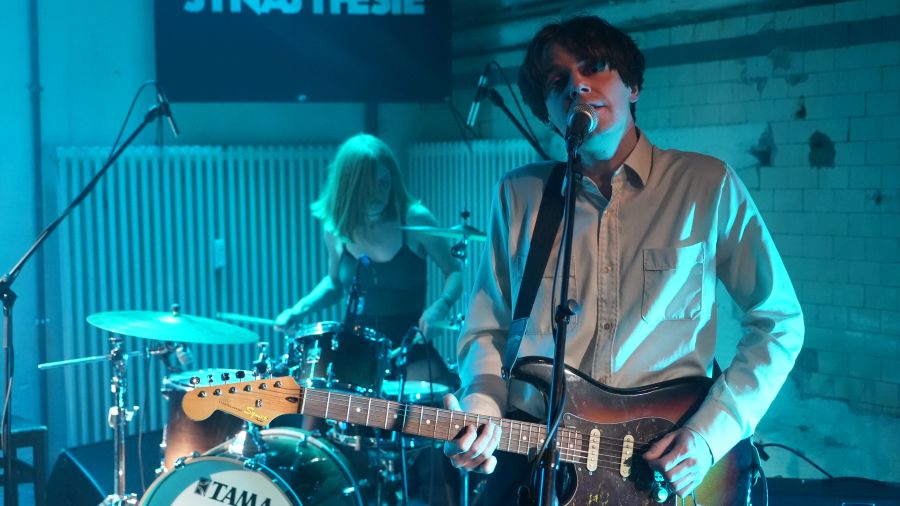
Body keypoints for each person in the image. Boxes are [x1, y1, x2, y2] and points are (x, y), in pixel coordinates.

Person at [441, 15, 804, 502]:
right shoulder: (520, 194)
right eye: (557, 81)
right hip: (537, 454)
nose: (576, 85)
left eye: (593, 67)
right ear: (548, 114)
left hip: (656, 467)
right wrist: (482, 407)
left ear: (632, 86)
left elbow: (780, 322)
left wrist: (709, 435)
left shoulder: (706, 185)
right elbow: (488, 328)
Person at [275, 132, 462, 387]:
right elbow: (333, 284)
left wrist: (442, 305)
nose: (378, 195)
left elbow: (454, 271)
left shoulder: (415, 219)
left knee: (430, 401)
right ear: (349, 186)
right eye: (368, 187)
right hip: (355, 352)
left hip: (410, 347)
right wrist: (298, 310)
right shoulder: (336, 228)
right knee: (321, 403)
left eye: (384, 183)